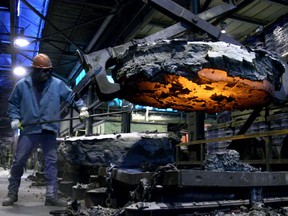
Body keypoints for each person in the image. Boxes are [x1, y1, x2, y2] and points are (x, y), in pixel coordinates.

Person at [2, 53, 89, 207]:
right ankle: (12, 193)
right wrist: (15, 119)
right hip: (29, 130)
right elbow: (13, 104)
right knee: (19, 161)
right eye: (43, 71)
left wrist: (82, 108)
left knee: (51, 163)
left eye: (49, 70)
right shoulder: (22, 85)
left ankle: (51, 196)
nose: (47, 73)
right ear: (35, 70)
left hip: (49, 130)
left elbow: (71, 96)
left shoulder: (57, 84)